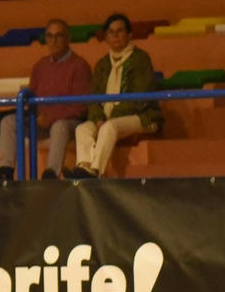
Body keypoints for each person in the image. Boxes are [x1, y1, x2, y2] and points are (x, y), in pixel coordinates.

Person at [0, 19, 92, 181]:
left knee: (59, 126)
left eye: (59, 36)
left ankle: (51, 173)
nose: (54, 41)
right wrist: (36, 116)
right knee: (8, 121)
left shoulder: (80, 66)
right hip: (41, 121)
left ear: (68, 38)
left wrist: (50, 119)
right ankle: (5, 172)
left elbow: (81, 106)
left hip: (69, 123)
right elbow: (31, 98)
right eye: (49, 36)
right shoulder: (40, 66)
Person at [68, 13, 161, 179]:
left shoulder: (141, 59)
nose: (115, 36)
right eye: (111, 32)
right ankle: (84, 166)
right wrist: (98, 118)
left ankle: (96, 172)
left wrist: (110, 117)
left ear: (129, 34)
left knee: (109, 127)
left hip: (142, 115)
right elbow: (93, 97)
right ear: (106, 37)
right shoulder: (102, 64)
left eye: (120, 31)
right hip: (106, 117)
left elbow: (140, 97)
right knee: (82, 129)